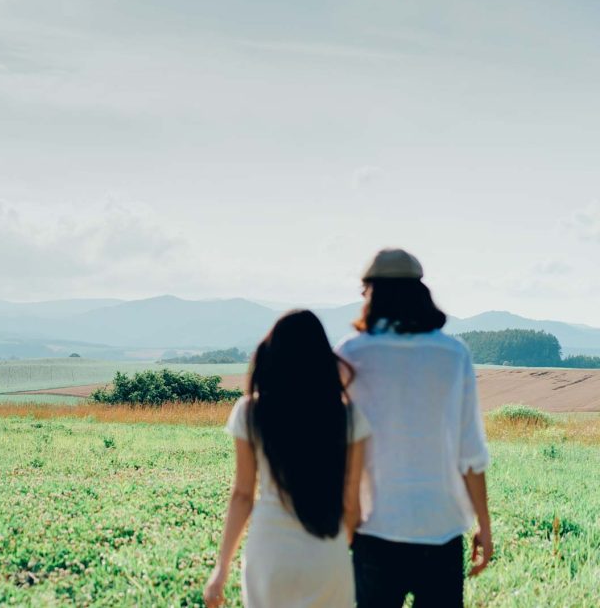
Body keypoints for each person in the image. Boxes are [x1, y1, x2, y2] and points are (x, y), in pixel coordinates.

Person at [336, 248, 492, 607]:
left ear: (371, 293)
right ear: (420, 293)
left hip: (375, 527)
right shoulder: (454, 355)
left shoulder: (350, 354)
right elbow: (470, 452)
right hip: (442, 527)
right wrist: (483, 523)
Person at [204, 310, 371, 608]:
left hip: (268, 553)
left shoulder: (250, 412)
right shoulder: (348, 416)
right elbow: (351, 506)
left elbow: (243, 495)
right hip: (326, 553)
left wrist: (221, 568)